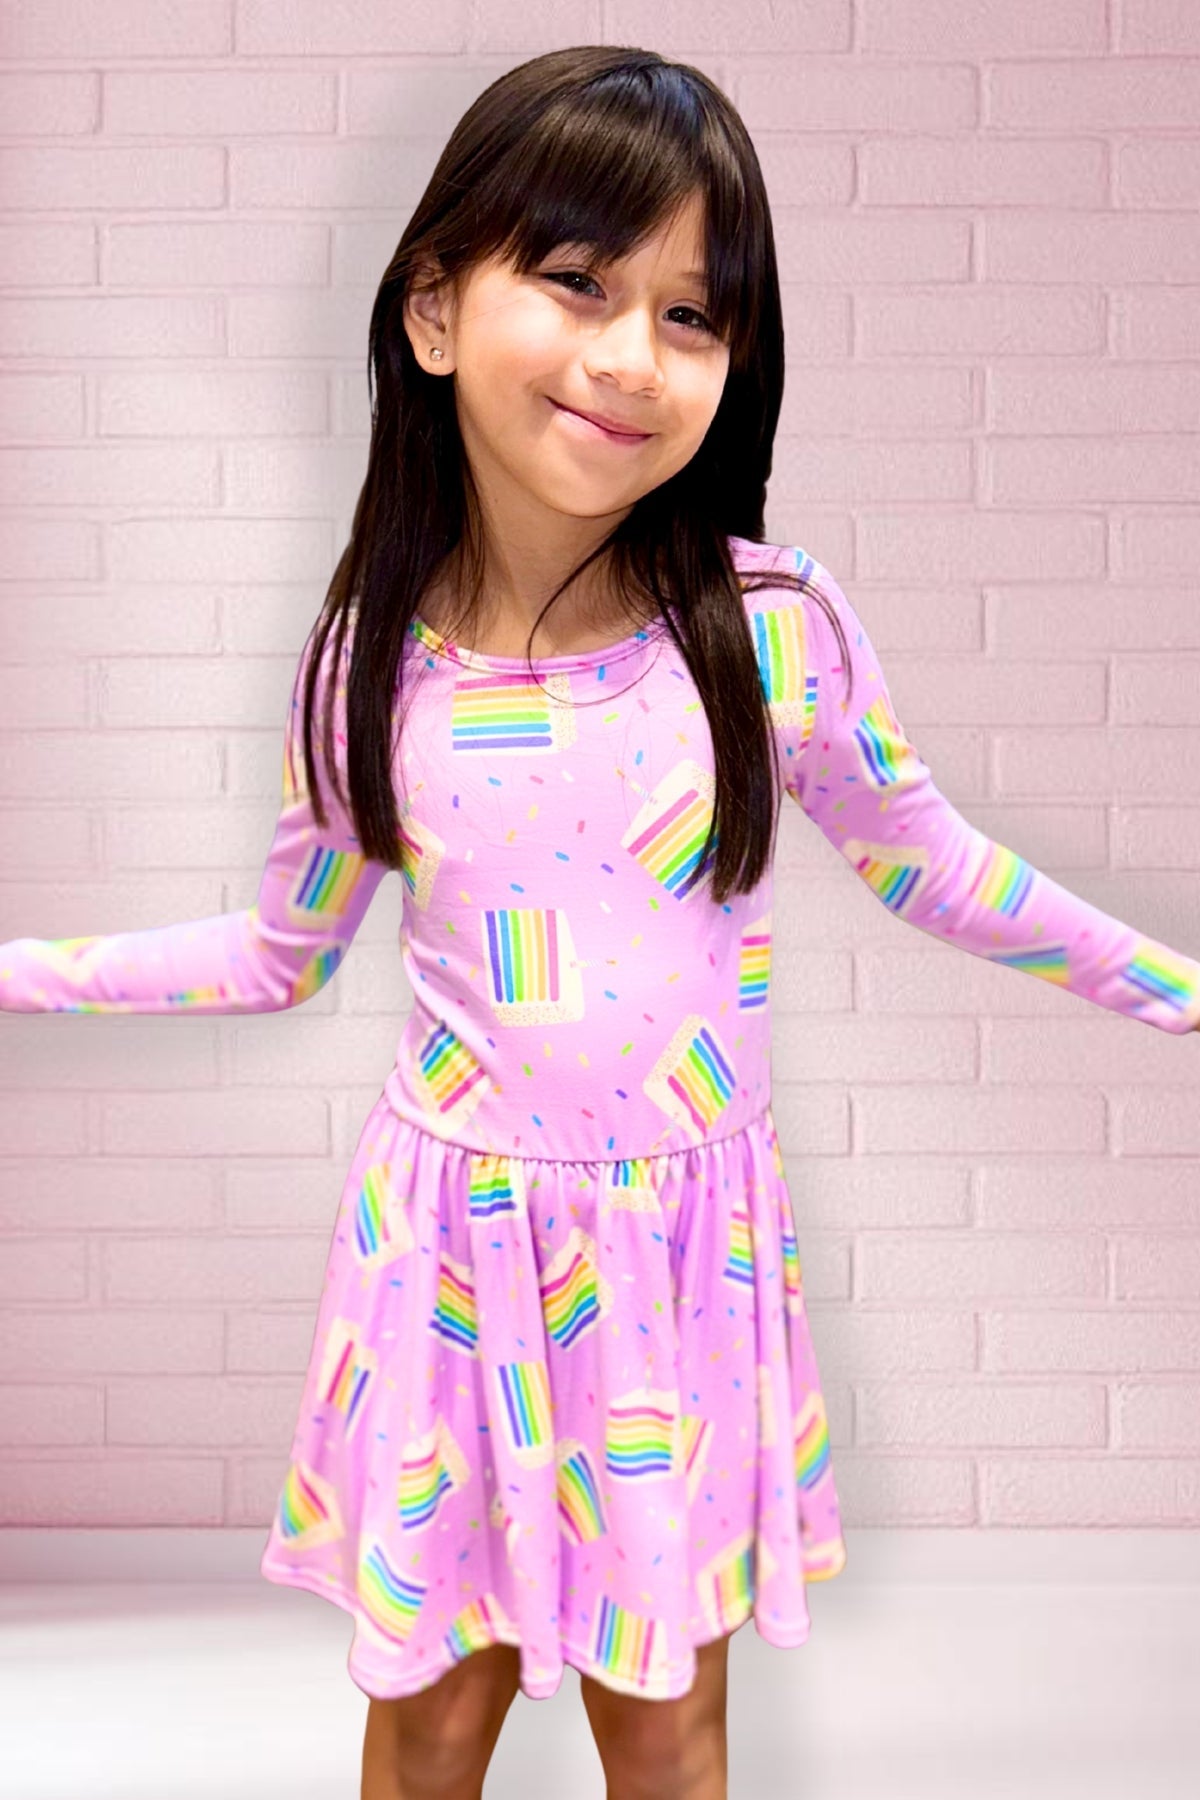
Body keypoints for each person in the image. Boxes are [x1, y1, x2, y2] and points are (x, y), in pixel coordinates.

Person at [3, 43, 1199, 1800]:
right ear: (434, 311)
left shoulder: (772, 632)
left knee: (670, 1729)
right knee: (429, 1723)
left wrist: (1179, 987)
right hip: (449, 1270)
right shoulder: (364, 664)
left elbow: (936, 866)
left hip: (675, 1276)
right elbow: (275, 955)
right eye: (579, 282)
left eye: (692, 315)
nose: (635, 355)